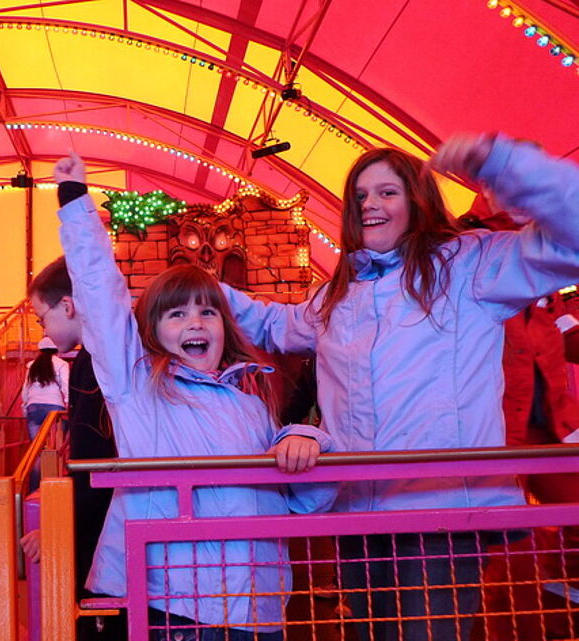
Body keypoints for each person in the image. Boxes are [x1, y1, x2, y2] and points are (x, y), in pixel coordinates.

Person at [222, 133, 579, 641]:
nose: (370, 204)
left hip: (441, 516)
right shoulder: (337, 295)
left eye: (387, 192)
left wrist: (502, 163)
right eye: (360, 196)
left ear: (418, 200)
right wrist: (205, 290)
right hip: (357, 517)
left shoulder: (469, 266)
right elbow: (273, 324)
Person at [54, 152, 336, 641]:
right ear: (153, 331)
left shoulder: (251, 402)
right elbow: (100, 294)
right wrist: (76, 202)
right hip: (174, 602)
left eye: (207, 313)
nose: (195, 323)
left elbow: (302, 499)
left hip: (256, 604)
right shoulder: (138, 384)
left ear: (225, 327)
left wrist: (307, 440)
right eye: (177, 315)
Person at [459, 198, 579, 640]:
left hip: (551, 425)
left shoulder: (542, 248)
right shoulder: (468, 248)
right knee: (510, 552)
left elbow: (559, 329)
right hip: (495, 430)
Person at [22, 255, 124, 641]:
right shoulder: (108, 353)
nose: (43, 328)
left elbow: (91, 461)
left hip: (104, 532)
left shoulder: (88, 363)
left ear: (67, 306)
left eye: (41, 318)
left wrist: (59, 526)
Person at [23, 337, 69, 440]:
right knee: (56, 441)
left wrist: (25, 405)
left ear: (40, 350)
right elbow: (65, 385)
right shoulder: (62, 364)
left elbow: (26, 387)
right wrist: (68, 402)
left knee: (36, 443)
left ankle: (37, 451)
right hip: (54, 405)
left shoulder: (32, 365)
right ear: (56, 350)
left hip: (33, 405)